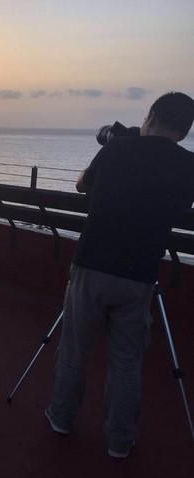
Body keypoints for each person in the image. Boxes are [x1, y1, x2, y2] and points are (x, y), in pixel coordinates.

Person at [44, 92, 194, 458]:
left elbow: (83, 186)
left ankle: (61, 418)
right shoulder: (188, 165)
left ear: (152, 114)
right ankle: (120, 441)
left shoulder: (116, 149)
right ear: (186, 131)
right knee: (127, 360)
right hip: (139, 273)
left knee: (75, 349)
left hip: (92, 264)